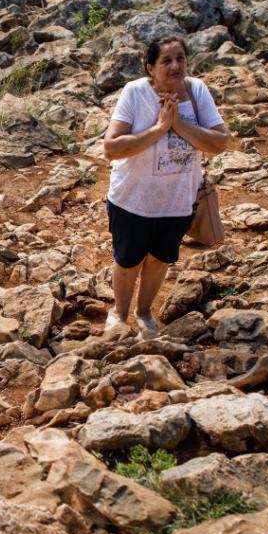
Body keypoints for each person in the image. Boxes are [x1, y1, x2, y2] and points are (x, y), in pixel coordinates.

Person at [102, 35, 229, 337]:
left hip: (177, 201)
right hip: (133, 199)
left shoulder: (197, 91)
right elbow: (112, 148)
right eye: (167, 61)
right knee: (129, 261)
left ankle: (143, 312)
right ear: (150, 68)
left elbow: (220, 142)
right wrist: (159, 129)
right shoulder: (135, 93)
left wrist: (178, 125)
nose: (176, 66)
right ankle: (119, 313)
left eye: (181, 58)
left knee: (160, 260)